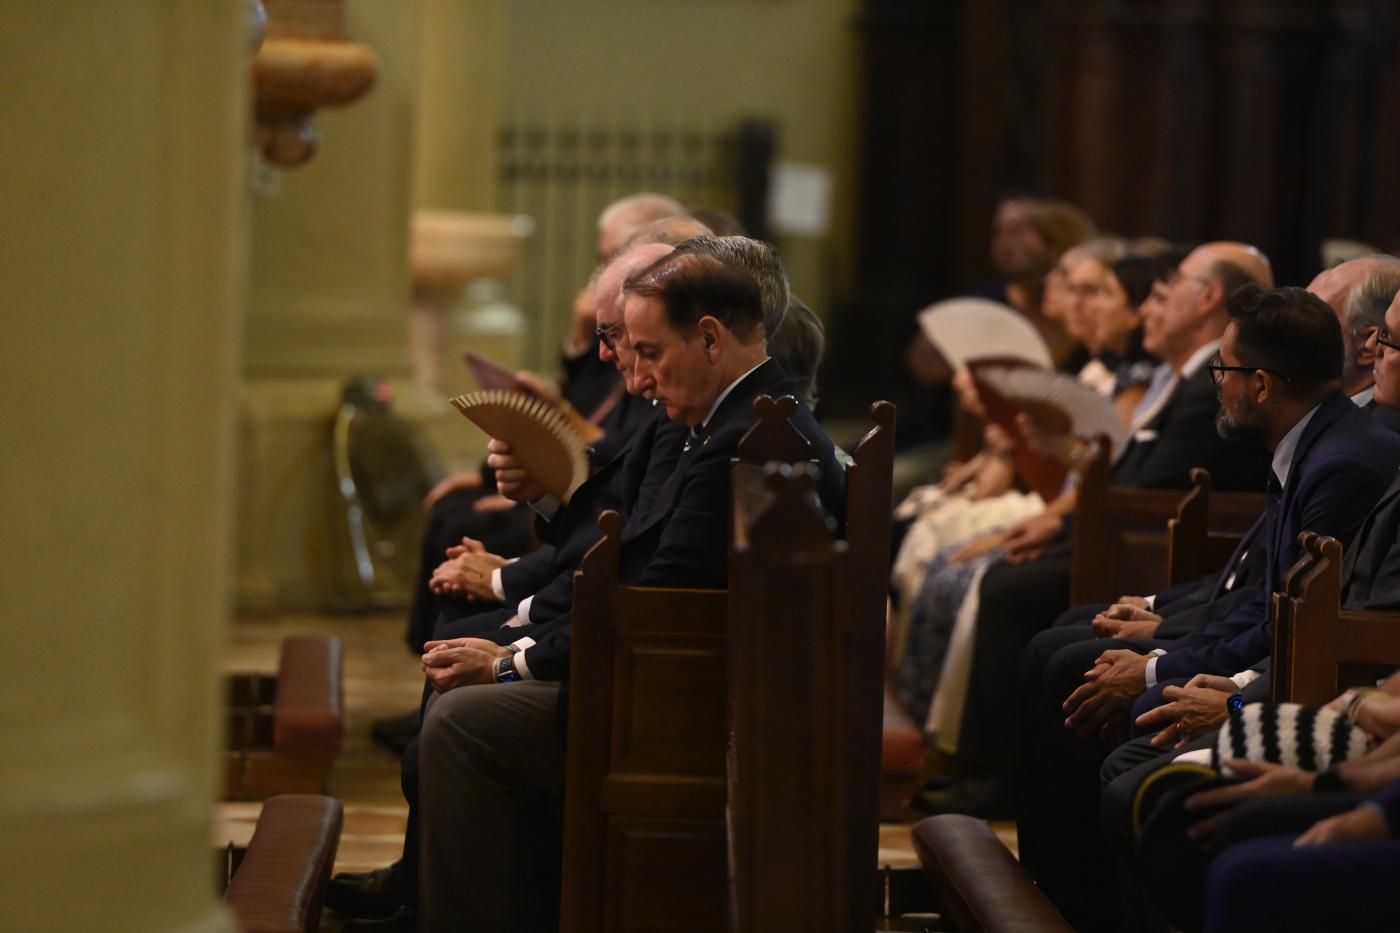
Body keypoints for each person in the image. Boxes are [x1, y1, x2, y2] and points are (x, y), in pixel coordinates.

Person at [415, 248, 843, 932]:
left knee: (462, 726)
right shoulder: (717, 421)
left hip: (683, 701)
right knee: (460, 682)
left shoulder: (750, 442)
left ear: (708, 337)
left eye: (650, 350)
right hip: (662, 674)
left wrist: (507, 661)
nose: (639, 376)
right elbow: (618, 547)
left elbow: (657, 603)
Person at [1018, 283, 1400, 931]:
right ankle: (1051, 904)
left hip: (1327, 698)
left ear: (1260, 383)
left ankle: (1074, 911)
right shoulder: (1331, 446)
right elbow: (1274, 595)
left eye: (1390, 342)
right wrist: (1172, 639)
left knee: (1141, 764)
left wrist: (1213, 689)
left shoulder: (1346, 459)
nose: (1374, 353)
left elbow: (1347, 626)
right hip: (1312, 685)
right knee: (1081, 669)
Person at [920, 243, 1276, 820]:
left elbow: (1151, 488)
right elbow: (1123, 474)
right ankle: (979, 765)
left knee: (1020, 600)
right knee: (1024, 598)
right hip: (1121, 534)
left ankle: (1002, 778)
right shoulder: (1181, 380)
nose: (1148, 309)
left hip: (1138, 540)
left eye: (1164, 292)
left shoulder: (1200, 387)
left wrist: (1161, 612)